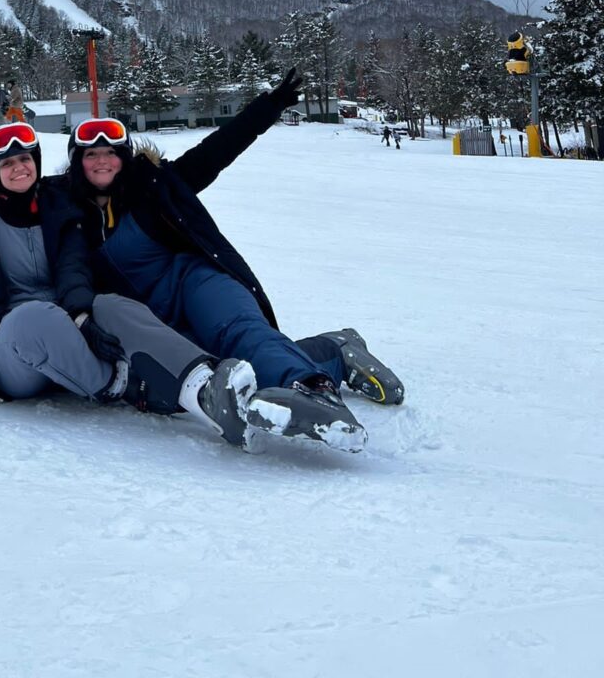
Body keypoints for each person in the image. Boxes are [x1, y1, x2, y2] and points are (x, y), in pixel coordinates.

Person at [0, 123, 287, 454]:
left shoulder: (61, 210)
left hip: (68, 334)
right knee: (34, 316)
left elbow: (74, 270)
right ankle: (124, 383)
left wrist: (82, 314)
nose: (19, 168)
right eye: (7, 164)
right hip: (13, 347)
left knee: (110, 304)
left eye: (25, 159)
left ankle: (208, 387)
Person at [52, 73, 405, 453]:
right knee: (219, 369)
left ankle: (313, 391)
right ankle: (335, 352)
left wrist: (267, 107)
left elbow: (218, 149)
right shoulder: (67, 212)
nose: (101, 161)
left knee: (239, 330)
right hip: (155, 317)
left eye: (110, 153)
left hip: (196, 281)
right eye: (91, 154)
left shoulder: (156, 186)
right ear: (78, 162)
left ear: (123, 158)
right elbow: (56, 254)